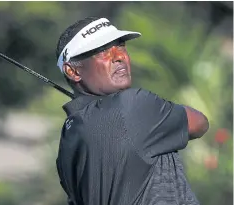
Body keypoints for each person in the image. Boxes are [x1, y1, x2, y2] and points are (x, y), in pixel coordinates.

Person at [55, 17, 209, 205]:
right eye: (102, 51)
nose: (120, 57)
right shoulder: (132, 105)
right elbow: (199, 123)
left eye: (121, 46)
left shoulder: (69, 135)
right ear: (73, 71)